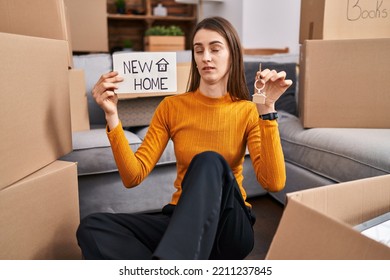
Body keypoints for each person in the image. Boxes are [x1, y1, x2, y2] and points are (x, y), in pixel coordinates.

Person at [76, 16, 292, 260]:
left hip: (229, 226)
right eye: (198, 50)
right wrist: (112, 115)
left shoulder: (249, 110)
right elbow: (132, 176)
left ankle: (173, 263)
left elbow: (273, 183)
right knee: (93, 227)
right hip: (180, 219)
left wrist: (268, 109)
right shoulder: (172, 107)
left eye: (215, 49)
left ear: (232, 54)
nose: (206, 57)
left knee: (209, 160)